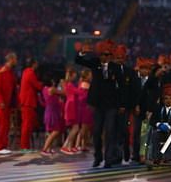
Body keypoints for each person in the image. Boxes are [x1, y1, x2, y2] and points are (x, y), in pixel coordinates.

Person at [75, 39, 124, 168]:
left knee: (109, 132)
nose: (105, 57)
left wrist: (121, 104)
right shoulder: (94, 63)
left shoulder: (116, 68)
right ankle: (98, 156)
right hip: (97, 104)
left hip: (111, 105)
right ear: (100, 55)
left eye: (108, 55)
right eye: (103, 54)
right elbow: (78, 61)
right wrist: (82, 53)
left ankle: (108, 159)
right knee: (96, 132)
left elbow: (122, 86)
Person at [0, 53, 18, 155]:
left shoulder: (11, 72)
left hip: (7, 102)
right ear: (11, 59)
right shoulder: (0, 70)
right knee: (3, 125)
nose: (16, 61)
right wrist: (0, 101)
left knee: (6, 125)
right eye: (15, 59)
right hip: (1, 102)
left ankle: (3, 146)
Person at [149, 84, 171, 164]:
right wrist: (158, 124)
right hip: (160, 130)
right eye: (166, 98)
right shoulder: (159, 109)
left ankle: (168, 158)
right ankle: (156, 157)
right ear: (163, 100)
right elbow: (152, 120)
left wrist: (170, 127)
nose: (168, 101)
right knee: (155, 134)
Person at [18, 57, 43, 152]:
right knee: (27, 125)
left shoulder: (25, 72)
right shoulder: (30, 73)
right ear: (34, 64)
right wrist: (42, 85)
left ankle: (25, 146)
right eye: (36, 63)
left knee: (27, 125)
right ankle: (24, 147)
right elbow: (37, 85)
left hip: (26, 101)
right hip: (28, 102)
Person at [41, 77, 65, 155]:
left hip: (50, 110)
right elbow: (64, 93)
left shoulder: (44, 89)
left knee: (51, 131)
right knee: (56, 131)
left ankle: (49, 149)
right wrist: (63, 84)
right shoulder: (51, 89)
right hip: (52, 112)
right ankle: (44, 149)